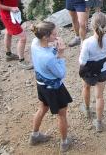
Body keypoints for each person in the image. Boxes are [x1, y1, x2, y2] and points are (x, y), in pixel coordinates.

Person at [29, 21, 73, 152]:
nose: (57, 36)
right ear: (45, 37)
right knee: (62, 115)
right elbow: (61, 73)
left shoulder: (34, 43)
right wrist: (60, 53)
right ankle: (64, 142)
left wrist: (54, 47)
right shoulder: (48, 58)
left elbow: (47, 51)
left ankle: (35, 135)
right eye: (54, 34)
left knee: (42, 107)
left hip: (41, 84)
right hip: (54, 89)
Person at [78, 12, 106, 132]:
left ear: (91, 25)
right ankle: (98, 123)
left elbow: (82, 61)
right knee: (99, 96)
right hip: (104, 69)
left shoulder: (87, 42)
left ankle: (87, 109)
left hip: (89, 71)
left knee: (86, 87)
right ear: (105, 25)